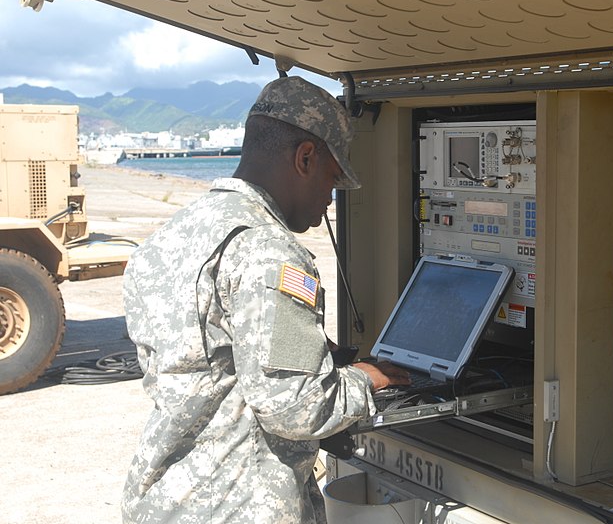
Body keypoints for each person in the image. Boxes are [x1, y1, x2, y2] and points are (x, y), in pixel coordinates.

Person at [121, 76, 409, 523]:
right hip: (240, 507)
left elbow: (209, 361)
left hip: (165, 502)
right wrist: (368, 379)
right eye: (332, 179)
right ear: (305, 158)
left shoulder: (175, 234)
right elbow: (295, 408)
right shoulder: (270, 250)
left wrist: (310, 353)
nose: (330, 200)